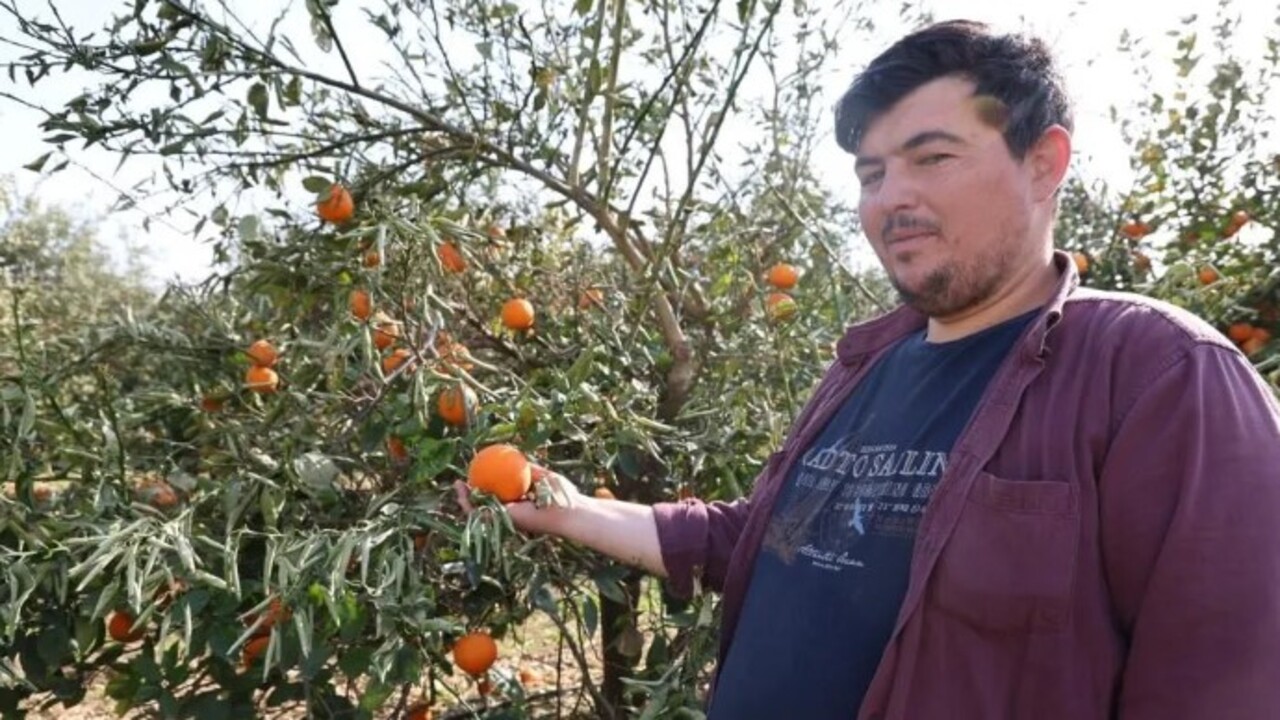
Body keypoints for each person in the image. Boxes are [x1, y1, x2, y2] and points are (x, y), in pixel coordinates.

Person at [457, 19, 1280, 719]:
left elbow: (1222, 687)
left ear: (1043, 163)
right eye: (872, 173)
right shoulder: (868, 362)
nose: (891, 198)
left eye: (932, 157)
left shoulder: (1161, 377)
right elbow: (768, 539)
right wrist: (568, 511)